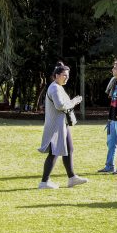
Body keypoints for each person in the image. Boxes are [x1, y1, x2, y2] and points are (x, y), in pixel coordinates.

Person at [38, 61, 88, 189]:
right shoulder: (55, 88)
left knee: (69, 150)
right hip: (55, 126)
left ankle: (72, 178)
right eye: (64, 75)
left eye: (68, 75)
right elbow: (60, 106)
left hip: (61, 124)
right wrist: (74, 101)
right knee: (54, 153)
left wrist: (72, 102)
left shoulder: (58, 87)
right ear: (56, 75)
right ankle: (44, 182)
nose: (67, 78)